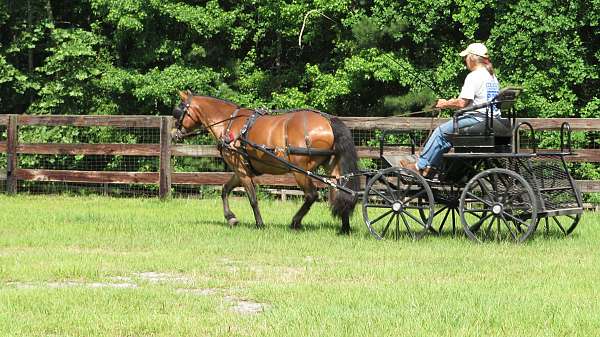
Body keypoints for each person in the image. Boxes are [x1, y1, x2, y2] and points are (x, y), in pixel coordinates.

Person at [411, 42, 501, 177]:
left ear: (472, 58)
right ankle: (431, 168)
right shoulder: (492, 77)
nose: (465, 61)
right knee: (446, 138)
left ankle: (419, 166)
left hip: (477, 120)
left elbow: (462, 103)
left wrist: (444, 103)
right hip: (493, 121)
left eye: (466, 57)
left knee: (440, 131)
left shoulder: (474, 76)